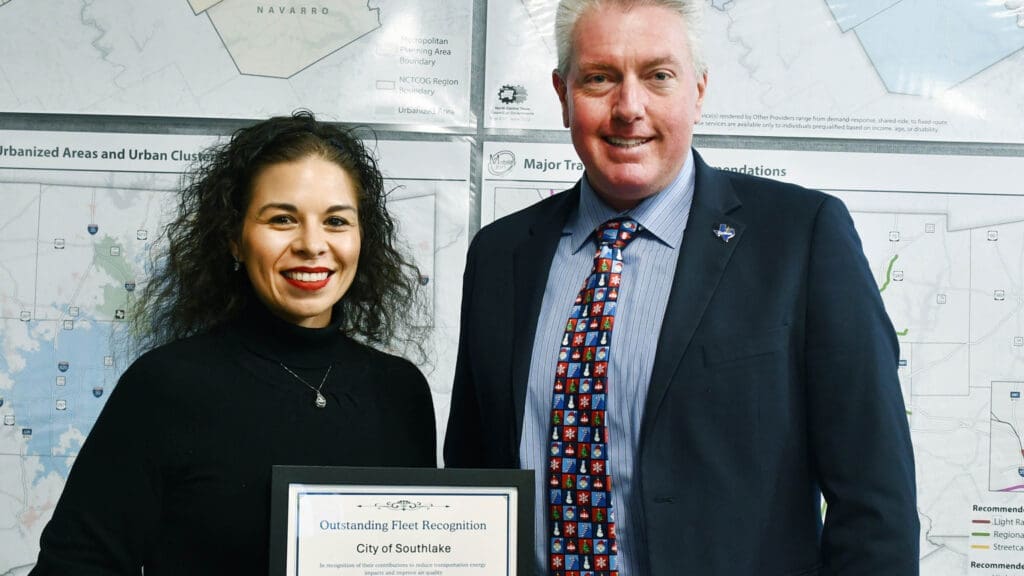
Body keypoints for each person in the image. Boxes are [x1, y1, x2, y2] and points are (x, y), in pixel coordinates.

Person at [444, 1, 919, 574]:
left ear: (697, 91)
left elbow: (876, 503)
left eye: (658, 76)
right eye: (599, 78)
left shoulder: (800, 239)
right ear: (562, 94)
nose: (629, 108)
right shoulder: (499, 256)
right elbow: (472, 487)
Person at [31, 111, 436, 575]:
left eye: (337, 221)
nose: (312, 244)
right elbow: (75, 566)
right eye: (282, 219)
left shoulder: (401, 392)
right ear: (234, 241)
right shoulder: (166, 386)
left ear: (362, 238)